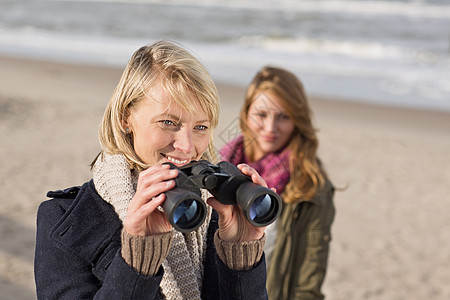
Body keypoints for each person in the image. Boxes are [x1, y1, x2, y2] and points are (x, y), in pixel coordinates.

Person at [34, 40, 270, 299]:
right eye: (168, 122)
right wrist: (138, 260)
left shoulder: (216, 212)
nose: (187, 146)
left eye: (200, 127)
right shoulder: (64, 219)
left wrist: (241, 256)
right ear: (126, 118)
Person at [220, 66, 335, 300]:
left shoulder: (311, 186)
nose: (270, 128)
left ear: (297, 120)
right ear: (246, 114)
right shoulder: (221, 166)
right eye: (262, 115)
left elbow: (307, 284)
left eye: (283, 116)